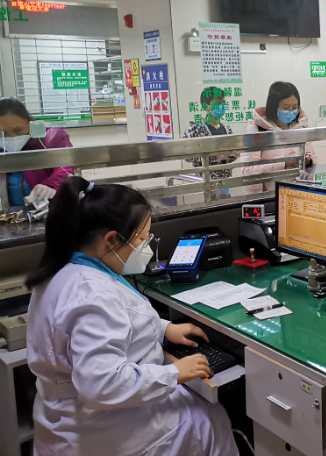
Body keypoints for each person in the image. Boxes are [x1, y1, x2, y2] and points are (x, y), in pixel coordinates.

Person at [25, 177, 237, 456]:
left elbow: (110, 324)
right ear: (112, 240)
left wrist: (163, 329)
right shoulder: (93, 293)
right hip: (104, 430)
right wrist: (174, 373)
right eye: (142, 238)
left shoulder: (63, 271)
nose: (146, 246)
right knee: (208, 417)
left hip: (65, 422)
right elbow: (102, 384)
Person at [0, 97, 73, 206]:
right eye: (3, 133)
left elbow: (66, 167)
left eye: (18, 130)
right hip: (12, 211)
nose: (12, 137)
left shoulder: (51, 136)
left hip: (49, 206)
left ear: (30, 122)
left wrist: (50, 185)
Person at [241, 81, 313, 176]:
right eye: (286, 107)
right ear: (273, 106)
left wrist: (308, 161)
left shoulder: (301, 126)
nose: (291, 111)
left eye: (295, 107)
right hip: (271, 185)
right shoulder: (257, 128)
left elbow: (312, 158)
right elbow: (247, 170)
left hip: (298, 184)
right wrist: (284, 164)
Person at [183, 86, 235, 180]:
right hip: (205, 180)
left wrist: (232, 155)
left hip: (226, 179)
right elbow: (186, 156)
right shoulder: (195, 130)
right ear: (206, 106)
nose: (221, 105)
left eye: (223, 102)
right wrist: (214, 157)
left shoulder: (227, 129)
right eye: (218, 103)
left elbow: (233, 154)